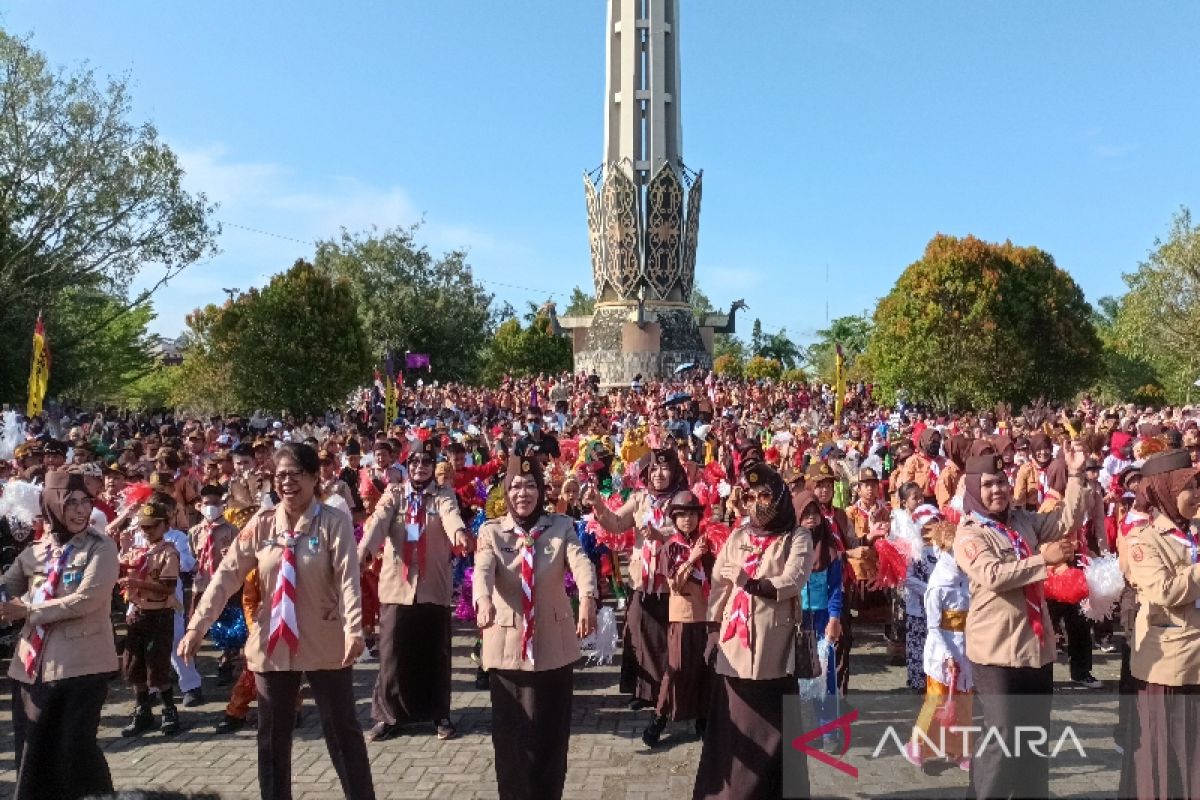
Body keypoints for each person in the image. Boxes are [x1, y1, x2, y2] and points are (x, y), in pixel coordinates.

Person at [180, 442, 375, 800]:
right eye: (280, 475)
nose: (286, 482)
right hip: (272, 642)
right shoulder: (262, 524)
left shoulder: (334, 522)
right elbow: (226, 575)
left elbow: (349, 578)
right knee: (271, 738)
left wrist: (354, 629)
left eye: (295, 474)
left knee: (342, 732)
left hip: (327, 640)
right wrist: (197, 625)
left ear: (314, 477)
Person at [952, 444, 1086, 800]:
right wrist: (1043, 560)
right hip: (996, 651)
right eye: (988, 485)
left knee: (1033, 738)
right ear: (974, 490)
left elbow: (1065, 521)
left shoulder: (1022, 519)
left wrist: (1074, 476)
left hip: (1035, 647)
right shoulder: (969, 533)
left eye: (1002, 482)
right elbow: (994, 574)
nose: (998, 490)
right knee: (1001, 735)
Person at [474, 454, 597, 800]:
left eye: (530, 485)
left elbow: (580, 561)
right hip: (507, 649)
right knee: (511, 741)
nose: (523, 493)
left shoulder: (560, 526)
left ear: (541, 490)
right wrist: (482, 600)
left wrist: (588, 595)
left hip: (552, 650)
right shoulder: (491, 531)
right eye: (515, 486)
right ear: (506, 492)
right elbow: (482, 570)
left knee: (551, 738)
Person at [693, 462, 814, 800]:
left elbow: (793, 579)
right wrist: (713, 627)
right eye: (752, 496)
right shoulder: (740, 534)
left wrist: (750, 582)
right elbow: (719, 583)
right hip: (735, 646)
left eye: (766, 495)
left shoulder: (797, 536)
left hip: (774, 651)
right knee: (733, 725)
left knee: (774, 731)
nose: (759, 503)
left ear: (779, 497)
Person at [1, 469, 119, 800]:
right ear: (53, 505)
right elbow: (7, 588)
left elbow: (87, 598)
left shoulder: (102, 547)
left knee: (74, 750)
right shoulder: (34, 552)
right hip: (30, 668)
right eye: (72, 503)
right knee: (33, 749)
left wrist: (28, 611)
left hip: (83, 667)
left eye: (86, 502)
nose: (81, 510)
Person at [359, 437, 472, 742]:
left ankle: (440, 714)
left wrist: (460, 533)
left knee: (435, 652)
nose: (420, 468)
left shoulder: (443, 494)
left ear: (434, 468)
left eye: (426, 463)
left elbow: (451, 517)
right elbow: (378, 523)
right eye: (415, 463)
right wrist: (365, 550)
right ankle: (388, 716)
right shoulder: (394, 494)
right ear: (407, 466)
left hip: (433, 586)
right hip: (397, 587)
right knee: (392, 654)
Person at [1118, 449, 1200, 798]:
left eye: (1198, 486)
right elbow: (1165, 590)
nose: (1197, 495)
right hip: (1172, 667)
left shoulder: (1193, 531)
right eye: (1189, 488)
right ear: (1166, 490)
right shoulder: (1144, 539)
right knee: (1170, 760)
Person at [586, 447, 689, 709]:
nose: (658, 474)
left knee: (667, 638)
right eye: (653, 469)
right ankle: (643, 692)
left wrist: (663, 535)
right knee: (637, 632)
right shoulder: (640, 498)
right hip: (640, 580)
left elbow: (692, 534)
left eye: (664, 468)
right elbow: (616, 524)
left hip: (672, 582)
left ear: (675, 470)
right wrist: (597, 503)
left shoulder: (683, 498)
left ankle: (667, 693)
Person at [643, 490, 714, 747]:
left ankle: (703, 719)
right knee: (676, 669)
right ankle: (658, 718)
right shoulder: (671, 546)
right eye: (682, 515)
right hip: (682, 615)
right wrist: (693, 558)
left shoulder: (708, 542)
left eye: (693, 514)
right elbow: (674, 583)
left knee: (705, 669)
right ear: (674, 518)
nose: (688, 520)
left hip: (706, 614)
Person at [907, 518, 973, 770]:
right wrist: (947, 655)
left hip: (965, 646)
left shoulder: (966, 578)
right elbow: (933, 628)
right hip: (942, 649)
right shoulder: (937, 586)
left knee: (963, 700)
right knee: (936, 699)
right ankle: (919, 744)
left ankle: (959, 749)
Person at [117, 495, 183, 737]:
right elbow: (121, 565)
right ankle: (143, 710)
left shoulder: (168, 553)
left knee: (157, 665)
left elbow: (168, 587)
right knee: (133, 664)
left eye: (152, 526)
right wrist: (123, 550)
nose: (146, 531)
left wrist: (136, 582)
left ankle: (168, 709)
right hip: (137, 613)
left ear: (165, 525)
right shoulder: (139, 550)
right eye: (143, 526)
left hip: (158, 615)